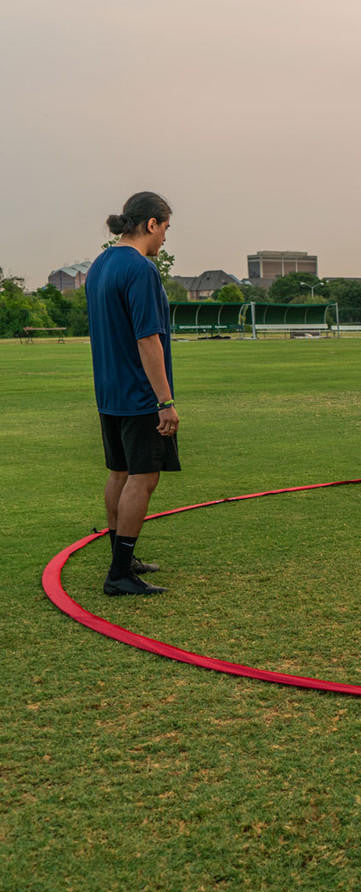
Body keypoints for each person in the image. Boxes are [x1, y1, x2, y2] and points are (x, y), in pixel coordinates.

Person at [86, 192, 179, 596]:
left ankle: (121, 559)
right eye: (166, 229)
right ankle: (120, 573)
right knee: (143, 477)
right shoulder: (140, 269)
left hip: (109, 392)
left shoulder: (100, 264)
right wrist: (165, 401)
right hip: (140, 394)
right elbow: (148, 340)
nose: (165, 241)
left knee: (119, 474)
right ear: (151, 224)